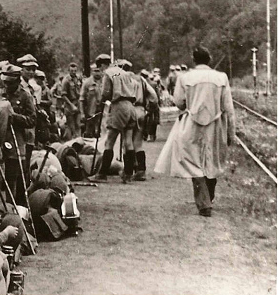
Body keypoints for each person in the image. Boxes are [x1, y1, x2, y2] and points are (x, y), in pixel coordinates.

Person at [154, 47, 235, 217]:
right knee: (212, 160)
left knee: (193, 161)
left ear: (193, 59)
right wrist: (230, 133)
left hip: (192, 124)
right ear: (209, 59)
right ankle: (208, 198)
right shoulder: (221, 77)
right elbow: (229, 108)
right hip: (215, 123)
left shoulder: (185, 77)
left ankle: (204, 202)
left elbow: (179, 102)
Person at [90, 57, 139, 184]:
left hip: (118, 106)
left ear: (102, 65)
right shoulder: (124, 72)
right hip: (130, 106)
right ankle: (128, 174)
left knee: (109, 141)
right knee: (128, 141)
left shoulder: (108, 73)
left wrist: (100, 103)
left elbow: (106, 93)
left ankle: (102, 174)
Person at [1, 65, 36, 206]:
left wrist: (14, 117)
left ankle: (20, 207)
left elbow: (32, 120)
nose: (7, 85)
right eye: (5, 82)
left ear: (17, 80)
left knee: (19, 176)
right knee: (4, 176)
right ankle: (7, 207)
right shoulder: (0, 94)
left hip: (18, 140)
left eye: (10, 82)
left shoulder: (25, 95)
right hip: (2, 138)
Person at [123, 62, 157, 181]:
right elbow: (153, 96)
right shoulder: (141, 79)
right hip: (141, 110)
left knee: (127, 141)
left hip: (128, 109)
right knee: (138, 142)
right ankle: (141, 170)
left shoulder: (122, 78)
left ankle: (128, 171)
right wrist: (149, 109)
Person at [80, 61, 104, 137]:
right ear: (92, 71)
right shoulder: (87, 83)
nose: (97, 73)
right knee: (89, 132)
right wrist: (82, 113)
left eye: (98, 71)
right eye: (95, 71)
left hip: (102, 111)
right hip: (90, 112)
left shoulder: (104, 81)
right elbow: (82, 98)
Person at [60, 63, 83, 140]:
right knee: (71, 125)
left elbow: (82, 89)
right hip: (69, 104)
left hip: (78, 102)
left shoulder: (79, 78)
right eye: (72, 71)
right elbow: (63, 95)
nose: (73, 72)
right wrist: (71, 105)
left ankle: (78, 141)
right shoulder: (66, 80)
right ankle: (71, 141)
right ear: (69, 70)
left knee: (78, 124)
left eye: (75, 70)